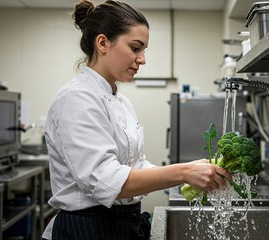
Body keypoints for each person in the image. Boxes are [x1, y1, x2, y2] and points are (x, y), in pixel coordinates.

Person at [42, 0, 232, 239]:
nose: (142, 59)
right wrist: (183, 172)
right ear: (102, 43)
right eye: (135, 48)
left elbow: (136, 167)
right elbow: (105, 181)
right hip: (88, 229)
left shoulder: (121, 102)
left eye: (144, 50)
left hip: (122, 226)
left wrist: (195, 171)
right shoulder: (76, 98)